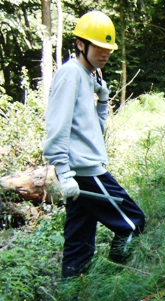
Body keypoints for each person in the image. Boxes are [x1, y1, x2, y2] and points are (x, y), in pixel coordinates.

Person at [43, 11, 145, 278]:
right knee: (134, 222)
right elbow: (57, 126)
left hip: (85, 168)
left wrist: (102, 101)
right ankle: (116, 282)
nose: (104, 53)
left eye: (108, 49)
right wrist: (64, 173)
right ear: (80, 44)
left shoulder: (90, 76)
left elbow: (95, 132)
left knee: (79, 242)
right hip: (84, 171)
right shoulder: (71, 74)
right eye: (98, 46)